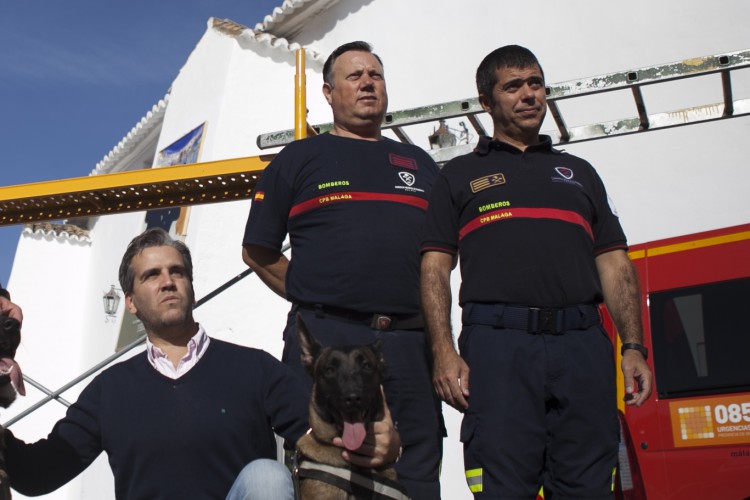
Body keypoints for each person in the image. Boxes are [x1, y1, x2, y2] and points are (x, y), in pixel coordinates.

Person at [3, 228, 399, 499]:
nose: (168, 281)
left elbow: (326, 432)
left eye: (177, 271)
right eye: (151, 275)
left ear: (191, 285)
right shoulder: (108, 392)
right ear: (130, 301)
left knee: (268, 477)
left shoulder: (255, 370)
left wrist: (379, 438)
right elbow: (40, 473)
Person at [420, 45, 653, 499]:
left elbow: (613, 262)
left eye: (535, 83)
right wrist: (443, 352)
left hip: (583, 345)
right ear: (487, 102)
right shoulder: (459, 176)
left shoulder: (580, 173)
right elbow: (435, 267)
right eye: (513, 86)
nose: (529, 95)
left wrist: (634, 346)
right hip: (498, 347)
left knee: (589, 485)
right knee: (503, 485)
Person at [242, 41, 443, 499]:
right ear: (329, 93)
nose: (368, 82)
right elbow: (257, 250)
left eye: (375, 74)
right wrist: (310, 294)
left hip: (409, 346)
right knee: (323, 475)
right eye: (355, 76)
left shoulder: (421, 165)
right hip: (326, 347)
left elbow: (441, 257)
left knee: (416, 475)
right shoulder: (298, 159)